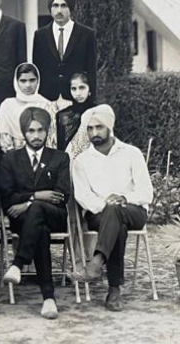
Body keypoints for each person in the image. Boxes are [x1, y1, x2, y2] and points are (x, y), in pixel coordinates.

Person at [72, 105, 153, 312]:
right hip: (98, 214)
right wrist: (105, 205)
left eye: (99, 127)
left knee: (116, 213)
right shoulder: (82, 161)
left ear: (110, 127)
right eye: (89, 128)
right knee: (116, 222)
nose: (94, 133)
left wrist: (124, 198)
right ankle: (114, 290)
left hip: (133, 211)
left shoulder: (131, 153)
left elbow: (146, 192)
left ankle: (97, 261)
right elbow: (83, 196)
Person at [0, 107, 70, 320]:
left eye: (41, 130)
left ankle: (18, 264)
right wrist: (39, 195)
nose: (36, 135)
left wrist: (28, 200)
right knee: (40, 229)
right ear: (23, 132)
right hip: (22, 220)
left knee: (38, 210)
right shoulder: (10, 159)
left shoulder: (59, 158)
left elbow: (61, 195)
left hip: (55, 215)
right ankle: (48, 298)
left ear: (47, 131)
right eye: (31, 131)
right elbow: (7, 198)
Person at [32, 0, 98, 104]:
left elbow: (91, 72)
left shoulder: (86, 34)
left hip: (76, 99)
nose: (59, 11)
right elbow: (38, 70)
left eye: (64, 6)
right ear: (50, 8)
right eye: (55, 6)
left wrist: (90, 102)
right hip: (48, 100)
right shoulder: (40, 36)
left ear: (71, 8)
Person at [0, 63, 57, 154]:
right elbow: (5, 141)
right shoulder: (7, 105)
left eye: (32, 80)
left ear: (38, 81)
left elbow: (51, 141)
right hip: (12, 158)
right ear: (16, 82)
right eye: (23, 81)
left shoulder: (47, 105)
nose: (28, 85)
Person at [56, 72, 96, 159]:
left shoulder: (97, 112)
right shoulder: (63, 115)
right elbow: (60, 147)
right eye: (74, 89)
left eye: (82, 88)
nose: (78, 93)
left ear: (90, 89)